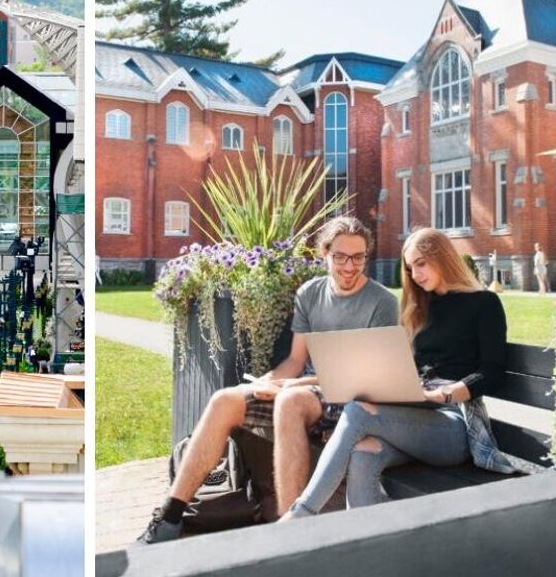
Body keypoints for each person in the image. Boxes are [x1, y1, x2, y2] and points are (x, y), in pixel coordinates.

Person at [138, 216, 400, 544]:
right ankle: (170, 517)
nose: (350, 266)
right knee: (226, 399)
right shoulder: (310, 293)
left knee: (290, 400)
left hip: (349, 397)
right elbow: (295, 360)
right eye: (341, 257)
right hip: (308, 388)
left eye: (358, 257)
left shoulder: (382, 302)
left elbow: (367, 375)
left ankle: (290, 531)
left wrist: (294, 385)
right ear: (324, 254)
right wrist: (261, 383)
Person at [282, 227, 522, 519]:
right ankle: (366, 549)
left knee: (358, 413)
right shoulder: (421, 309)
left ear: (443, 257)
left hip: (455, 423)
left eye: (421, 264)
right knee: (363, 452)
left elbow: (493, 372)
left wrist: (444, 393)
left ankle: (299, 518)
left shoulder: (484, 303)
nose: (415, 274)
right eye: (410, 268)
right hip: (415, 415)